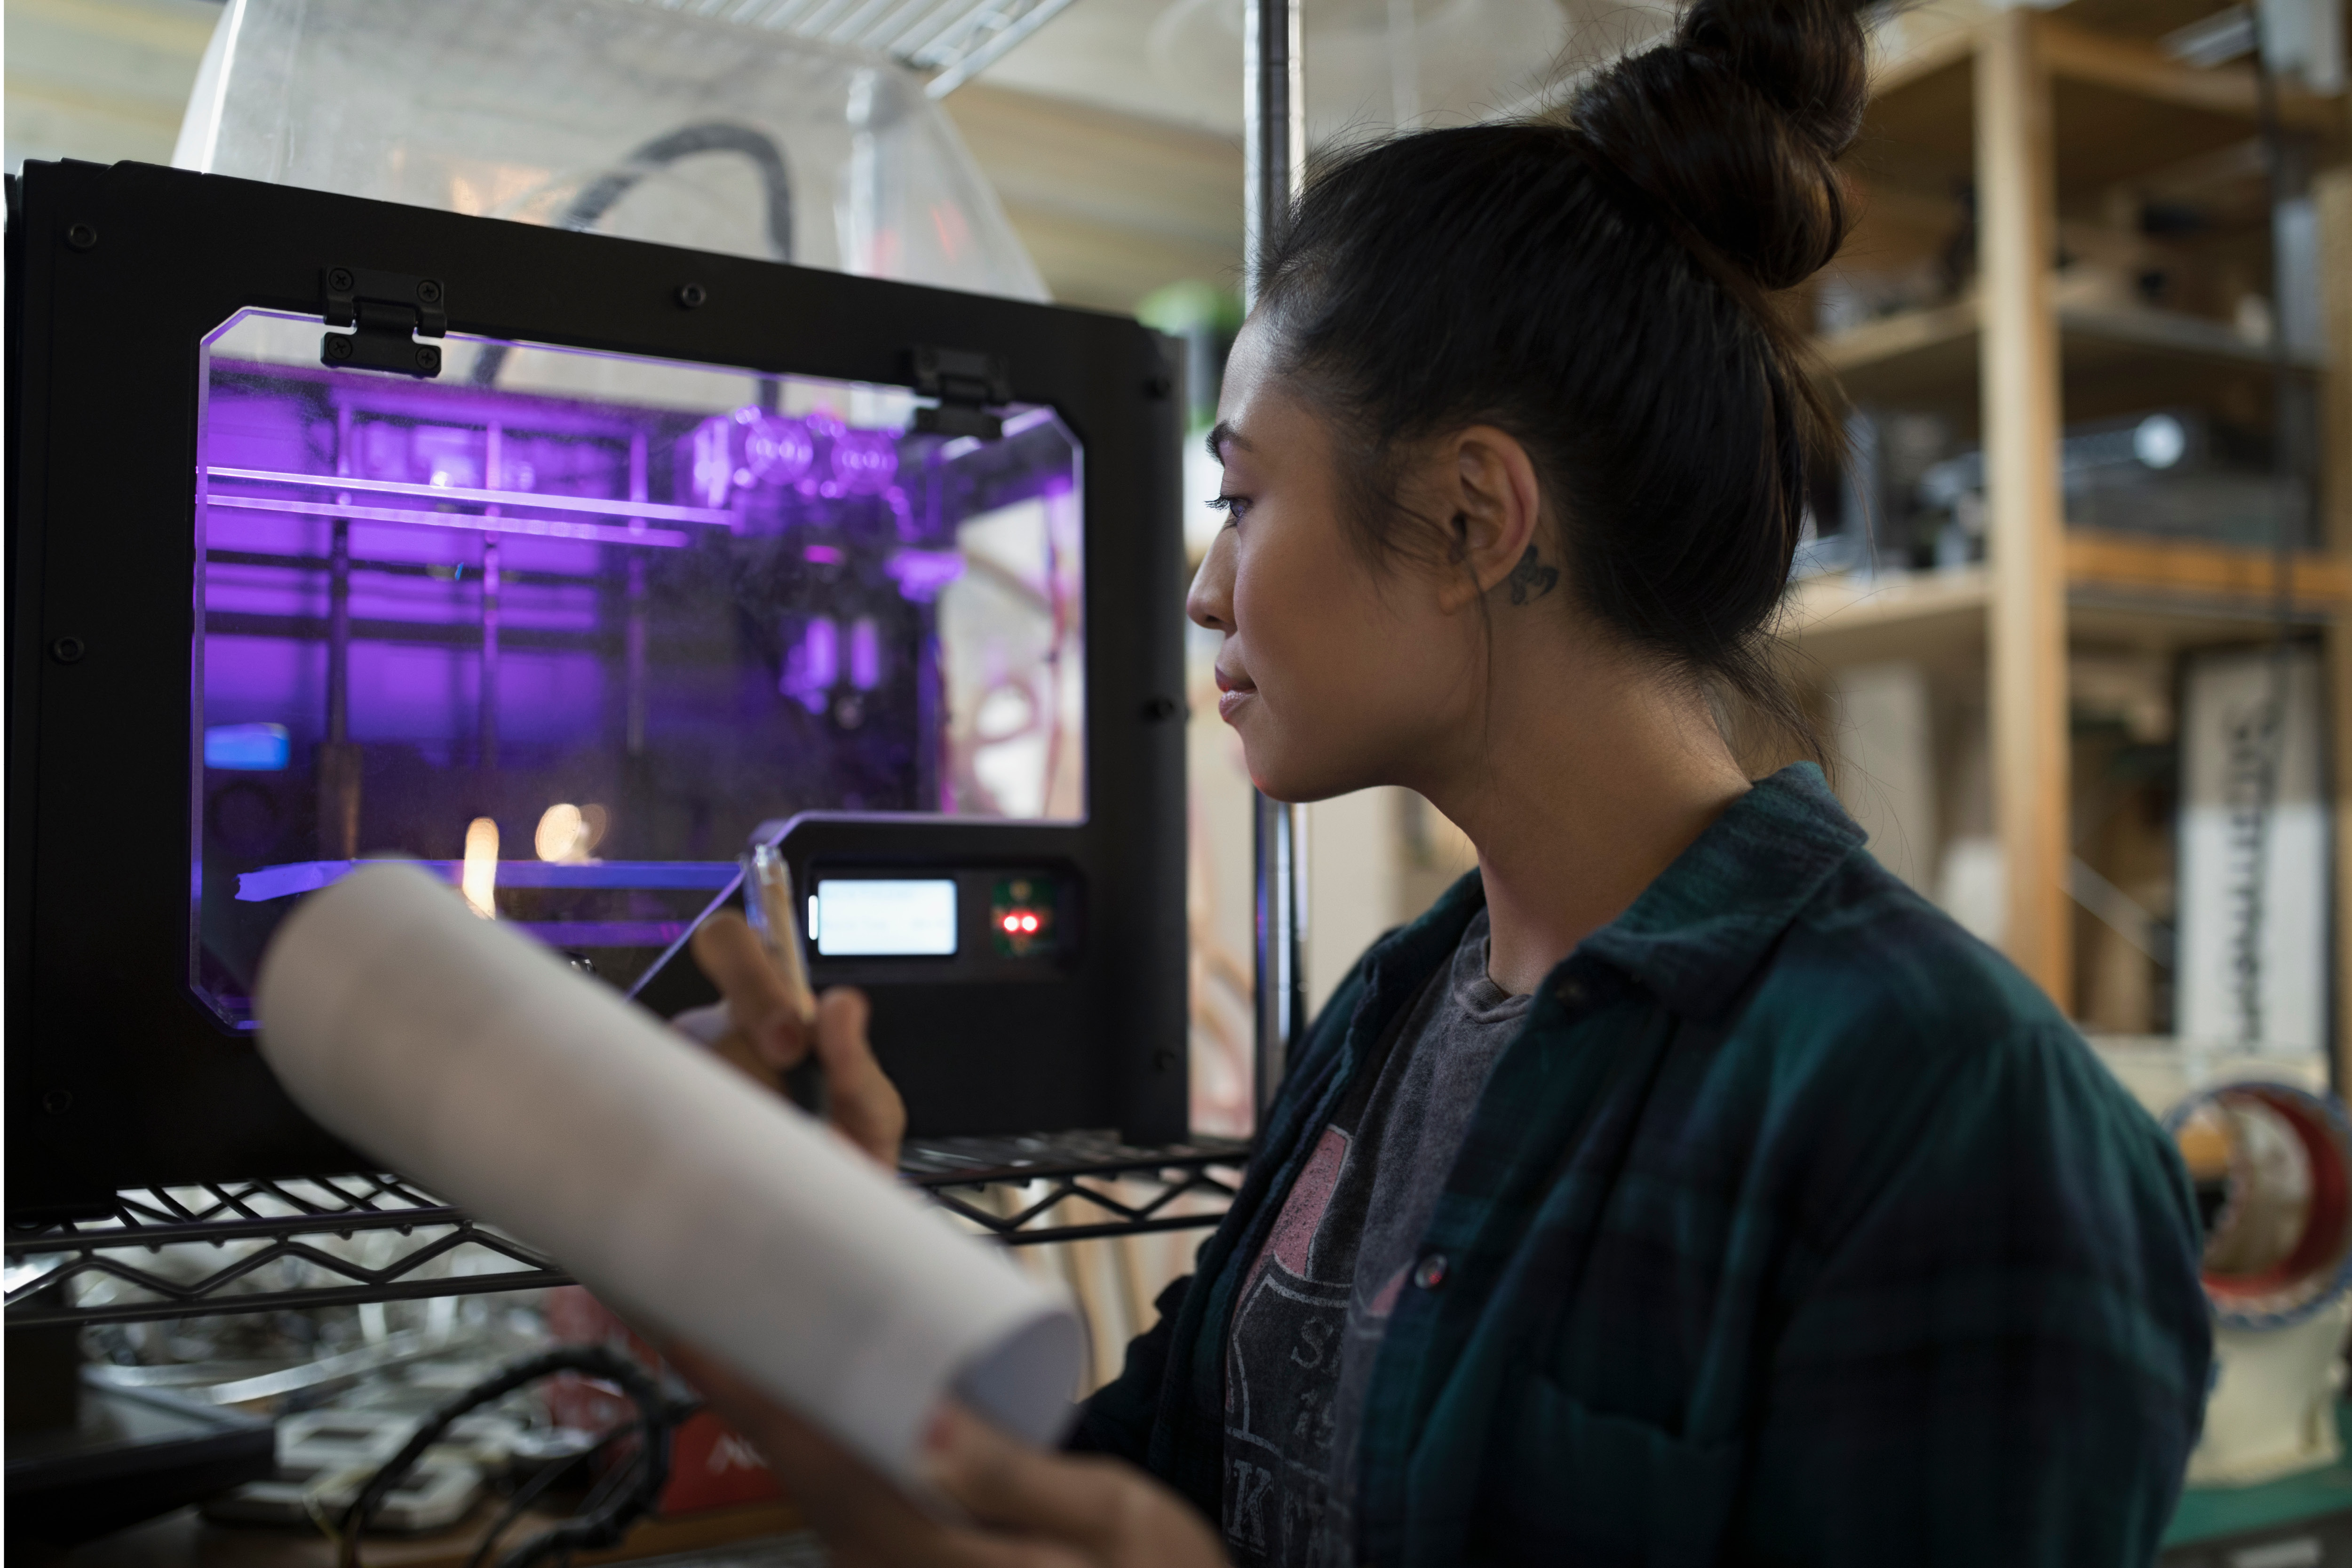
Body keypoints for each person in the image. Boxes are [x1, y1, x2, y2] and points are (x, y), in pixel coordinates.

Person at [671, 0, 2215, 1560]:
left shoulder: (1952, 1110)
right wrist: (809, 1247)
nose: (1206, 590)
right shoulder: (1395, 1012)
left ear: (1477, 516)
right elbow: (1100, 1512)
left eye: (1243, 496)